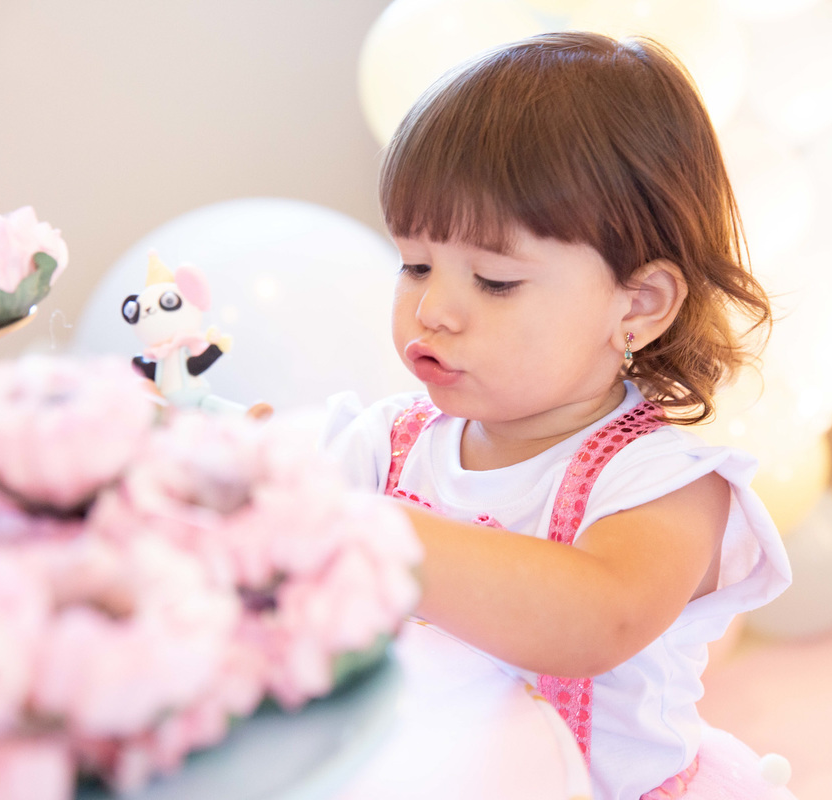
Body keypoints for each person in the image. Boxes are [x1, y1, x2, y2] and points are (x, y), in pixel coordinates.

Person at [322, 30, 792, 800]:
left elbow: (594, 619)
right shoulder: (384, 446)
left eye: (496, 280)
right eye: (414, 264)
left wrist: (367, 530)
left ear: (636, 305)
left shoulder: (665, 486)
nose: (433, 309)